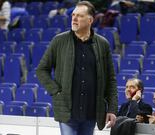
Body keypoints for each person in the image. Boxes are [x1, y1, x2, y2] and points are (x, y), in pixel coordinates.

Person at [36, 1, 118, 135]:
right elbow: (41, 69)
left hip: (91, 112)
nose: (74, 18)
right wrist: (56, 91)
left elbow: (111, 79)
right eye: (73, 15)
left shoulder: (103, 44)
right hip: (67, 111)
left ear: (90, 20)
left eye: (79, 16)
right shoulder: (59, 41)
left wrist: (112, 109)